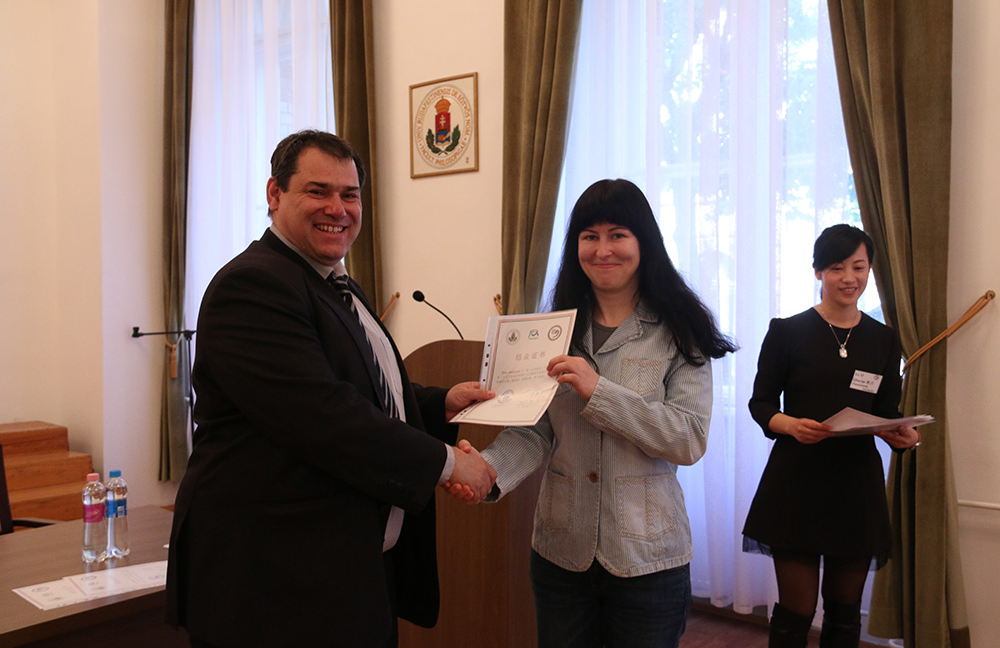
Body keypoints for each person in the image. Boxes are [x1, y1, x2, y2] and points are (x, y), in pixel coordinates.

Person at [165, 130, 496, 647]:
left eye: (350, 194)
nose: (337, 209)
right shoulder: (252, 285)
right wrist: (450, 463)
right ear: (275, 194)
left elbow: (359, 385)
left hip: (338, 572)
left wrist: (439, 403)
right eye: (317, 191)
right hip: (273, 584)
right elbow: (323, 415)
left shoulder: (331, 280)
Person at [459, 179, 737, 648]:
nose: (603, 249)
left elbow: (688, 439)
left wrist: (599, 391)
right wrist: (487, 470)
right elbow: (533, 433)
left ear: (643, 242)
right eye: (590, 236)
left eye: (617, 235)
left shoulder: (681, 330)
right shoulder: (552, 330)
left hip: (649, 557)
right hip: (560, 552)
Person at [742, 224, 921, 648]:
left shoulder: (883, 339)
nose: (849, 278)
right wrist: (791, 425)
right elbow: (760, 404)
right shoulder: (787, 331)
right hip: (796, 482)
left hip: (856, 486)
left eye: (859, 267)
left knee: (845, 610)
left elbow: (886, 411)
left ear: (869, 270)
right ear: (818, 271)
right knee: (797, 610)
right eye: (837, 267)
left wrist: (901, 433)